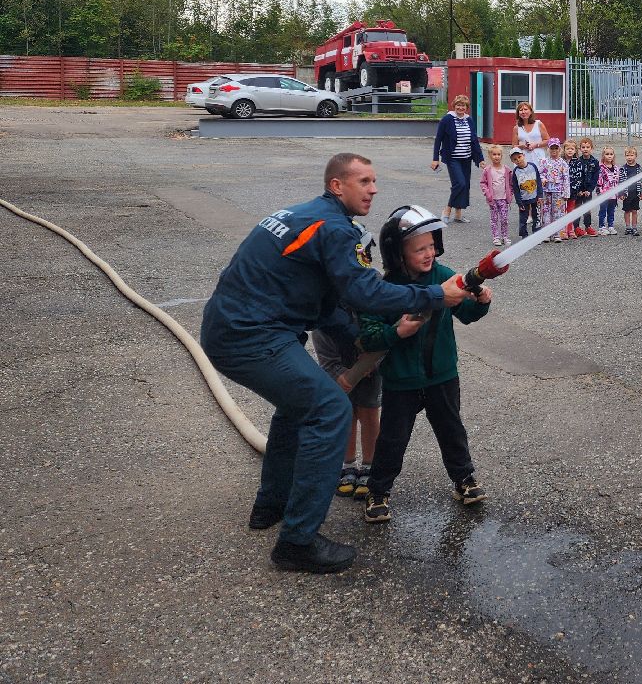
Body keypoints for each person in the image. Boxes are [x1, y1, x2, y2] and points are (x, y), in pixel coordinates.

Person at [200, 153, 473, 574]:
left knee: (296, 408)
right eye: (363, 181)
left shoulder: (305, 216)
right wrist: (437, 296)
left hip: (238, 327)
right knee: (329, 409)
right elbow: (366, 293)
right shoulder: (333, 228)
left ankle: (271, 506)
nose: (373, 189)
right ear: (337, 186)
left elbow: (328, 301)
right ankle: (297, 542)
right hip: (252, 335)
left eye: (374, 181)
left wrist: (361, 339)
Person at [359, 206, 491, 524]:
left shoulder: (443, 277)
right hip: (401, 380)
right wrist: (396, 332)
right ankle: (378, 491)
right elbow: (369, 335)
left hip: (442, 375)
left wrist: (481, 302)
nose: (429, 253)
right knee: (392, 439)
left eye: (432, 245)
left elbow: (466, 313)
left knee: (451, 430)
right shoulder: (386, 288)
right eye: (420, 249)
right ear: (397, 254)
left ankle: (464, 479)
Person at [312, 224, 384, 501]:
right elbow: (322, 338)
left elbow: (387, 327)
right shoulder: (325, 294)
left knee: (369, 410)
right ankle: (347, 465)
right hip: (337, 363)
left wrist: (372, 363)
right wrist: (338, 371)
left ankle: (370, 465)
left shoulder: (375, 285)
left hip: (371, 363)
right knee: (345, 412)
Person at [431, 95, 481, 224]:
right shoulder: (447, 119)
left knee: (465, 186)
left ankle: (458, 214)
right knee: (460, 183)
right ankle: (447, 210)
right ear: (454, 106)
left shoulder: (469, 120)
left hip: (466, 157)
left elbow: (474, 140)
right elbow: (438, 139)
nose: (460, 107)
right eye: (458, 105)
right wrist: (435, 158)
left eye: (463, 105)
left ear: (467, 107)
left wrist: (480, 158)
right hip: (453, 158)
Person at [479, 144, 513, 248]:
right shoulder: (487, 170)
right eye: (494, 154)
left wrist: (510, 194)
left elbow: (511, 183)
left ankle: (505, 236)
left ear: (501, 156)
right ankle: (496, 237)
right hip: (493, 199)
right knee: (494, 219)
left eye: (498, 154)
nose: (496, 156)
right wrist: (487, 194)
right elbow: (483, 183)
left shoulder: (506, 169)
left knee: (504, 219)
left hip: (503, 199)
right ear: (490, 156)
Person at [538, 137, 569, 243]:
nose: (554, 150)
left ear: (559, 149)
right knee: (546, 211)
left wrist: (566, 193)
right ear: (548, 149)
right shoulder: (544, 161)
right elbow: (540, 173)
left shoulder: (563, 163)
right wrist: (543, 179)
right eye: (552, 148)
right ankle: (546, 233)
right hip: (546, 190)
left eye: (556, 148)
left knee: (558, 212)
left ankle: (557, 234)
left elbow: (566, 178)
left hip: (558, 191)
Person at [570, 137, 600, 237]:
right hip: (578, 190)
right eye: (583, 147)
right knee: (577, 208)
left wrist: (590, 190)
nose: (585, 149)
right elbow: (576, 176)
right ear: (580, 149)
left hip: (588, 190)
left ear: (591, 148)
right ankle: (576, 227)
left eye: (588, 147)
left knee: (587, 208)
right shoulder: (577, 161)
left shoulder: (595, 162)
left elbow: (595, 178)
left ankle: (588, 226)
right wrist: (578, 190)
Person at [509, 146, 541, 238]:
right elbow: (516, 188)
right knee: (523, 218)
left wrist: (540, 195)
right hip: (524, 199)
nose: (518, 160)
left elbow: (538, 181)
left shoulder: (533, 166)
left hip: (535, 196)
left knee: (536, 216)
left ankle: (536, 233)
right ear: (512, 161)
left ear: (523, 155)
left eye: (519, 157)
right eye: (515, 159)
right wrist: (519, 202)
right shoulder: (515, 172)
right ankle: (524, 235)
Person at [596, 146, 621, 234]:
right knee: (603, 210)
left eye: (611, 154)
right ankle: (601, 227)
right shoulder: (601, 168)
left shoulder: (616, 168)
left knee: (611, 210)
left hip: (614, 194)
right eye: (607, 154)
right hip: (604, 193)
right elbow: (599, 181)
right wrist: (600, 191)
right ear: (603, 155)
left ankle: (610, 226)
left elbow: (618, 180)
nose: (609, 156)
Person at [619, 146, 642, 236]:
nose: (629, 157)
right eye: (627, 155)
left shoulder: (639, 168)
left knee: (635, 211)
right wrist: (621, 193)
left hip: (636, 193)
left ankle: (634, 227)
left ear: (635, 156)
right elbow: (621, 181)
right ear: (625, 156)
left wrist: (641, 192)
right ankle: (628, 227)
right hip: (626, 193)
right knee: (627, 211)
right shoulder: (623, 168)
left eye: (631, 155)